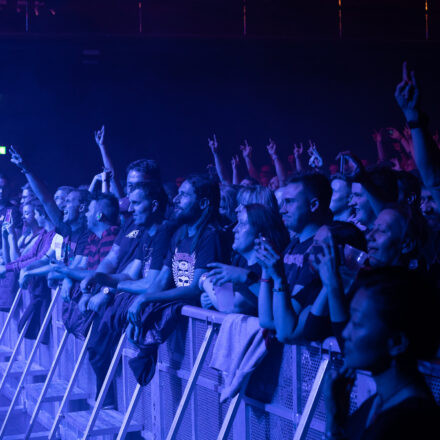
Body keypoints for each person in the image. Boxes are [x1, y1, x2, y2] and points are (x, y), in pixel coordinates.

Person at [324, 267, 439, 440]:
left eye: (357, 323)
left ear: (397, 342)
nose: (345, 333)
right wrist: (335, 418)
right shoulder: (378, 403)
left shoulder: (411, 424)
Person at [255, 172, 332, 343]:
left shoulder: (321, 251)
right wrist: (266, 270)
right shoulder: (293, 244)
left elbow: (286, 330)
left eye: (289, 202)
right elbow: (266, 320)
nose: (282, 209)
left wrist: (278, 277)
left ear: (313, 205)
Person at [201, 203, 289, 314]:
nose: (235, 229)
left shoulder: (265, 266)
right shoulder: (240, 260)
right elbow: (225, 298)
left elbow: (233, 306)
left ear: (260, 233)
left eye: (242, 224)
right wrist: (213, 297)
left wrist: (204, 281)